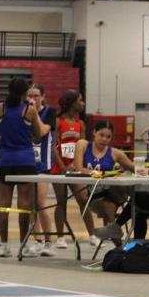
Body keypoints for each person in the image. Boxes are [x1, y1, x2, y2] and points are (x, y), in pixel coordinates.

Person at [0, 77, 45, 258]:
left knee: (4, 204)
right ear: (25, 93)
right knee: (24, 204)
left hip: (5, 160)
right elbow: (38, 135)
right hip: (25, 160)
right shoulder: (29, 110)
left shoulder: (0, 108)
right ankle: (23, 246)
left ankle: (4, 246)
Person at [72, 120, 141, 244]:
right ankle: (118, 242)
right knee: (108, 208)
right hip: (95, 196)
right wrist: (99, 174)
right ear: (94, 132)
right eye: (101, 135)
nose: (104, 139)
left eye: (108, 137)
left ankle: (121, 233)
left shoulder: (115, 153)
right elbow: (78, 168)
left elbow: (135, 168)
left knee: (133, 190)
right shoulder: (83, 145)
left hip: (114, 193)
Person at [50, 90, 97, 247]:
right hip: (59, 168)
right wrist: (63, 167)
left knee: (83, 200)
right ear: (72, 103)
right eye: (80, 100)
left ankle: (93, 235)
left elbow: (83, 147)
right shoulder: (58, 122)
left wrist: (78, 165)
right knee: (61, 201)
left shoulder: (80, 124)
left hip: (75, 168)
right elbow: (52, 146)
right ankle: (60, 237)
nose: (83, 103)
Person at [28, 84, 57, 256]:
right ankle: (37, 240)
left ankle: (48, 241)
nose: (32, 98)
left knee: (40, 202)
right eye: (29, 95)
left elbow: (42, 132)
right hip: (27, 162)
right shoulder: (25, 112)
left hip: (43, 164)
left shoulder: (49, 112)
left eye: (36, 95)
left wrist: (34, 113)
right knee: (31, 204)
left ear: (43, 96)